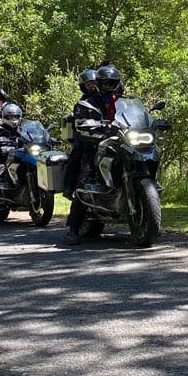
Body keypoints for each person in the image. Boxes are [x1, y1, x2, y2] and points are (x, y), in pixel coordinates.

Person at [65, 64, 123, 244]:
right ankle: (73, 229)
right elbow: (81, 124)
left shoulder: (122, 100)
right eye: (105, 82)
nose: (109, 85)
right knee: (86, 182)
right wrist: (97, 129)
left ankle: (149, 220)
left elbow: (132, 115)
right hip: (94, 145)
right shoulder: (87, 103)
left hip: (120, 144)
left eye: (112, 82)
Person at [62, 68, 102, 200]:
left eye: (93, 82)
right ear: (83, 86)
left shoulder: (105, 98)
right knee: (78, 152)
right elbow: (78, 122)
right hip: (87, 136)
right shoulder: (82, 103)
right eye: (88, 84)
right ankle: (71, 188)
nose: (91, 85)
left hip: (106, 134)